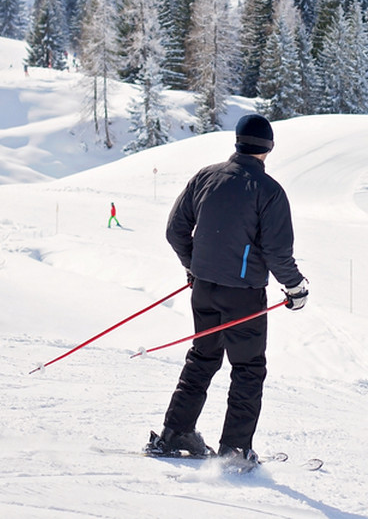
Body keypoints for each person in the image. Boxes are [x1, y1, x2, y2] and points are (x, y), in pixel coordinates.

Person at [150, 114, 309, 472]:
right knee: (248, 368)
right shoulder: (268, 191)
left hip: (204, 289)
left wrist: (195, 267)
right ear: (268, 148)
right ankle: (235, 450)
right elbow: (277, 252)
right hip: (244, 295)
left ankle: (175, 432)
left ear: (237, 142)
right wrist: (295, 287)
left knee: (202, 357)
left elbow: (176, 230)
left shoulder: (206, 177)